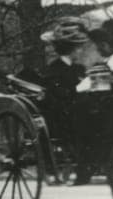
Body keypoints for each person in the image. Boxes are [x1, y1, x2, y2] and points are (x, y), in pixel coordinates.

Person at [39, 17, 91, 185]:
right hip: (61, 116)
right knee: (84, 118)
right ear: (72, 50)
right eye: (79, 48)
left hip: (77, 109)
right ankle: (83, 169)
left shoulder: (79, 68)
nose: (81, 51)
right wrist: (79, 89)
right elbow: (58, 97)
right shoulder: (53, 71)